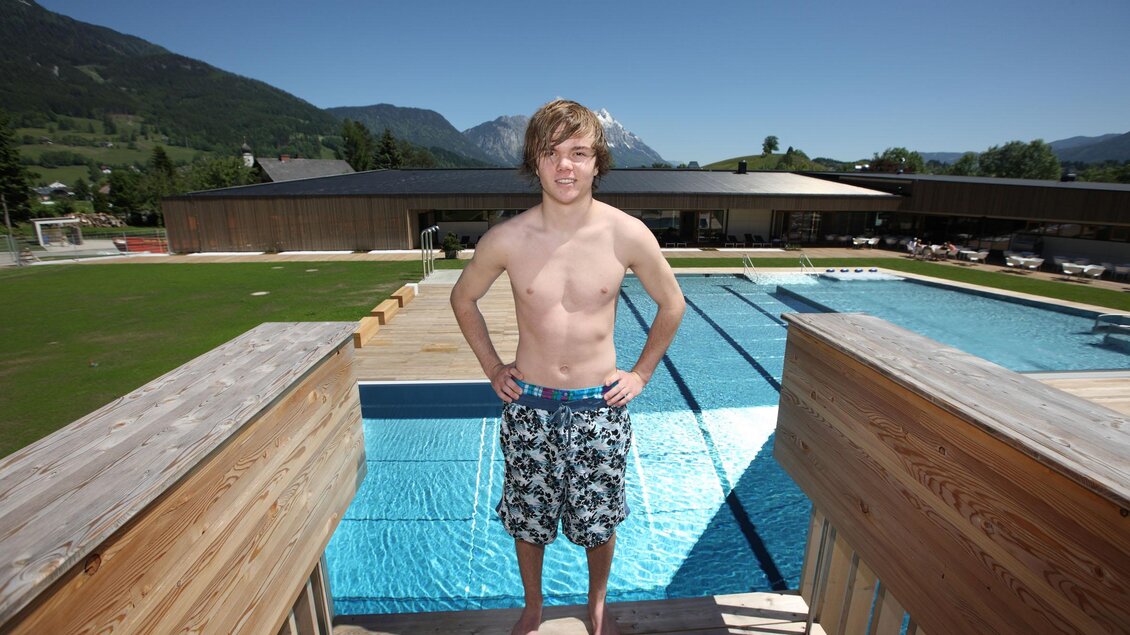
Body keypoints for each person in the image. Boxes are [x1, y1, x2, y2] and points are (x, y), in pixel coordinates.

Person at [450, 98, 685, 635]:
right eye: (551, 153)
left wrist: (642, 374)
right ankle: (533, 606)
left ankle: (596, 603)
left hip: (598, 407)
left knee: (599, 522)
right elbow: (463, 299)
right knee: (527, 522)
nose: (565, 166)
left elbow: (672, 304)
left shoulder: (626, 234)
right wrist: (492, 366)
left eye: (578, 153)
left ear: (598, 162)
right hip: (528, 404)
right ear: (534, 162)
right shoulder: (508, 239)